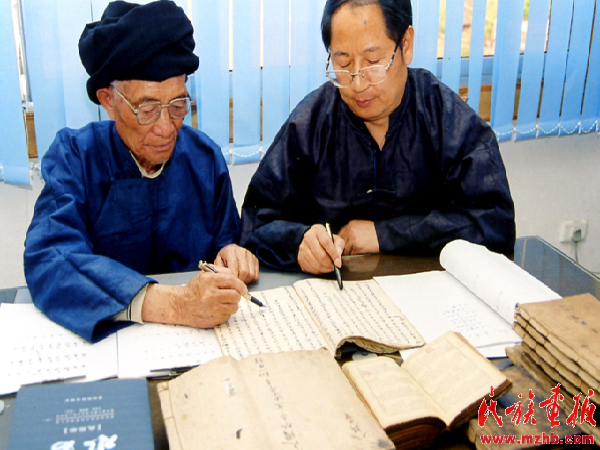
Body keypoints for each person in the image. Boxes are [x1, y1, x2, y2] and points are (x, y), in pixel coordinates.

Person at [24, 0, 259, 343]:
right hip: (109, 346)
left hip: (198, 345)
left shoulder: (204, 157)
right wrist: (175, 305)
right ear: (108, 100)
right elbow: (50, 258)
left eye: (178, 105)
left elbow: (226, 242)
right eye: (147, 109)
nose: (166, 128)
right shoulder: (75, 157)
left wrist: (232, 255)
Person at [240, 0, 515, 274]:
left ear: (406, 45)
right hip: (336, 294)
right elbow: (255, 223)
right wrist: (299, 243)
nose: (357, 84)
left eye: (372, 62)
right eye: (343, 63)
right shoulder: (309, 125)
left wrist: (384, 235)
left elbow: (495, 224)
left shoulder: (448, 120)